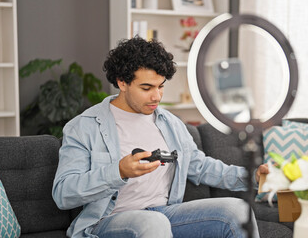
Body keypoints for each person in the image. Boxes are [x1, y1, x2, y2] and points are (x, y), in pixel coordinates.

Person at [52, 36, 268, 238]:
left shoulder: (170, 123)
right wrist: (118, 172)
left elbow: (200, 167)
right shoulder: (84, 127)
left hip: (164, 215)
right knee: (153, 223)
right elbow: (63, 193)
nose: (156, 96)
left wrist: (252, 177)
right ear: (122, 82)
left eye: (160, 86)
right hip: (107, 221)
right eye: (146, 88)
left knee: (238, 211)